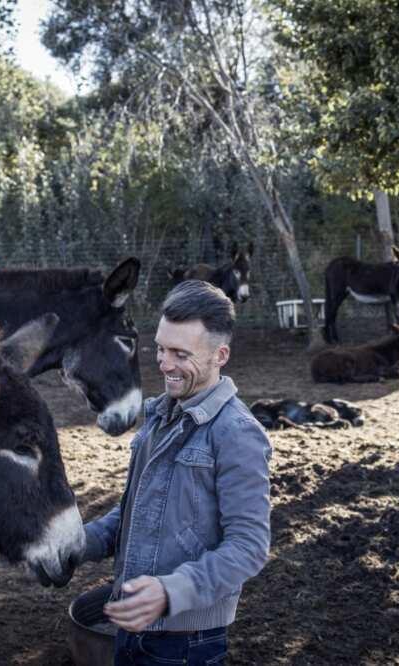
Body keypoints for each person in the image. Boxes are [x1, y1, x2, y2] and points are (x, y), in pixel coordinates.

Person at [81, 279, 273, 665]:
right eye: (160, 348)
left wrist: (172, 592)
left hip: (187, 644)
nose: (165, 363)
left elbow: (249, 546)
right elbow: (135, 512)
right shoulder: (160, 414)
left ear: (220, 355)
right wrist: (74, 543)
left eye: (181, 354)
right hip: (132, 628)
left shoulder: (237, 433)